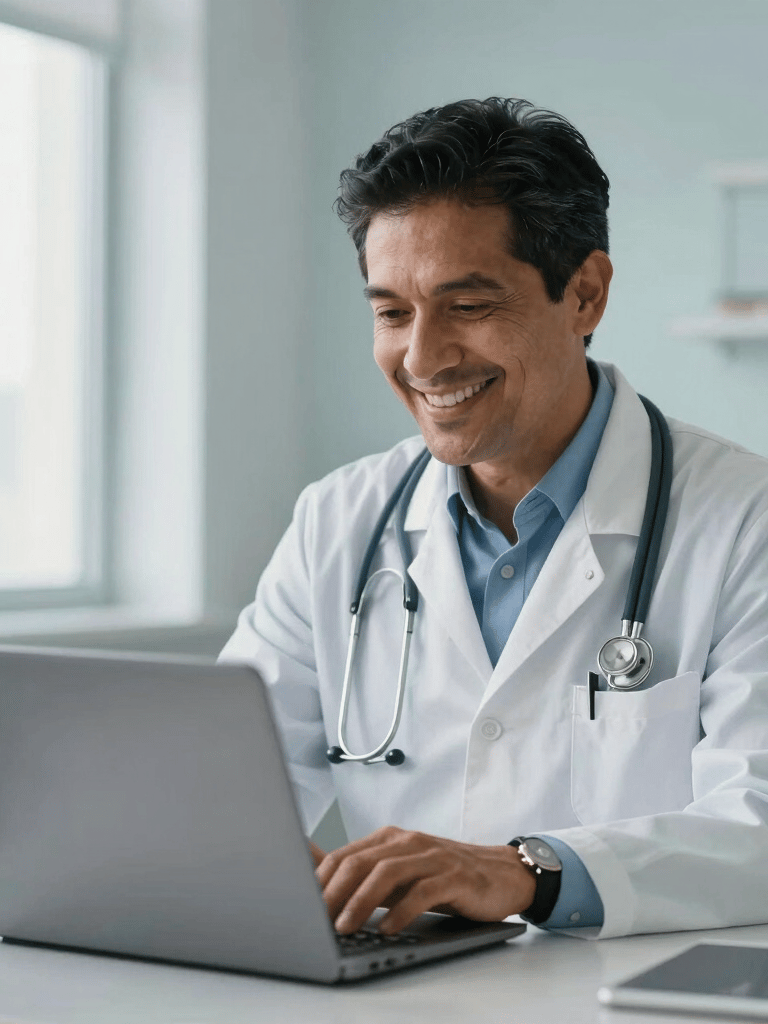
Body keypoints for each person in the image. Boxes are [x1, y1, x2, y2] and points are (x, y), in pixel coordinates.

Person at [220, 97, 768, 939]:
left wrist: (523, 872)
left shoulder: (744, 521)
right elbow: (221, 792)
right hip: (404, 997)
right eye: (392, 312)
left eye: (468, 306)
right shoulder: (338, 520)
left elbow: (759, 825)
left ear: (584, 294)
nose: (423, 357)